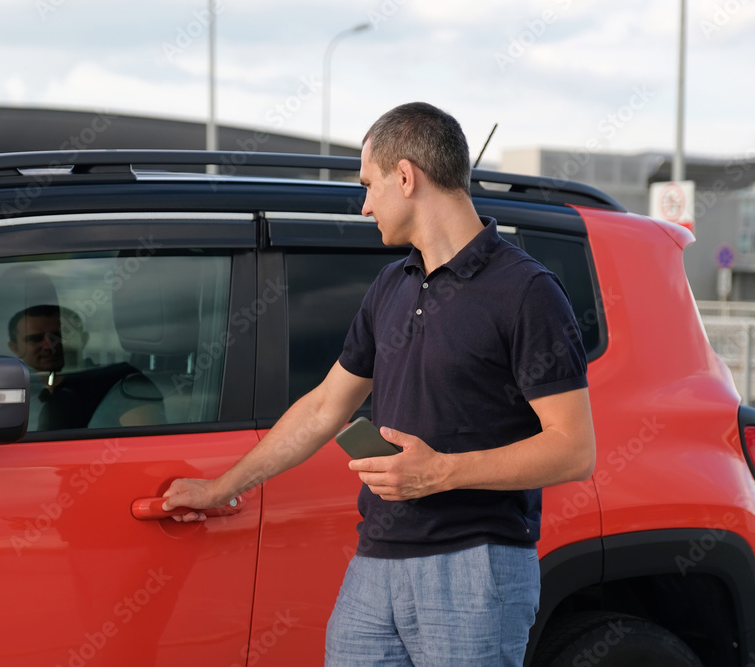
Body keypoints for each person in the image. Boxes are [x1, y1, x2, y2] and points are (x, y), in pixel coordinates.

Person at [162, 102, 596, 665]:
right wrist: (221, 488)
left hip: (475, 569)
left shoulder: (527, 291)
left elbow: (574, 449)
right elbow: (325, 406)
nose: (364, 204)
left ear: (406, 177)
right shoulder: (392, 284)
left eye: (368, 184)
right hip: (376, 562)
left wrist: (440, 472)